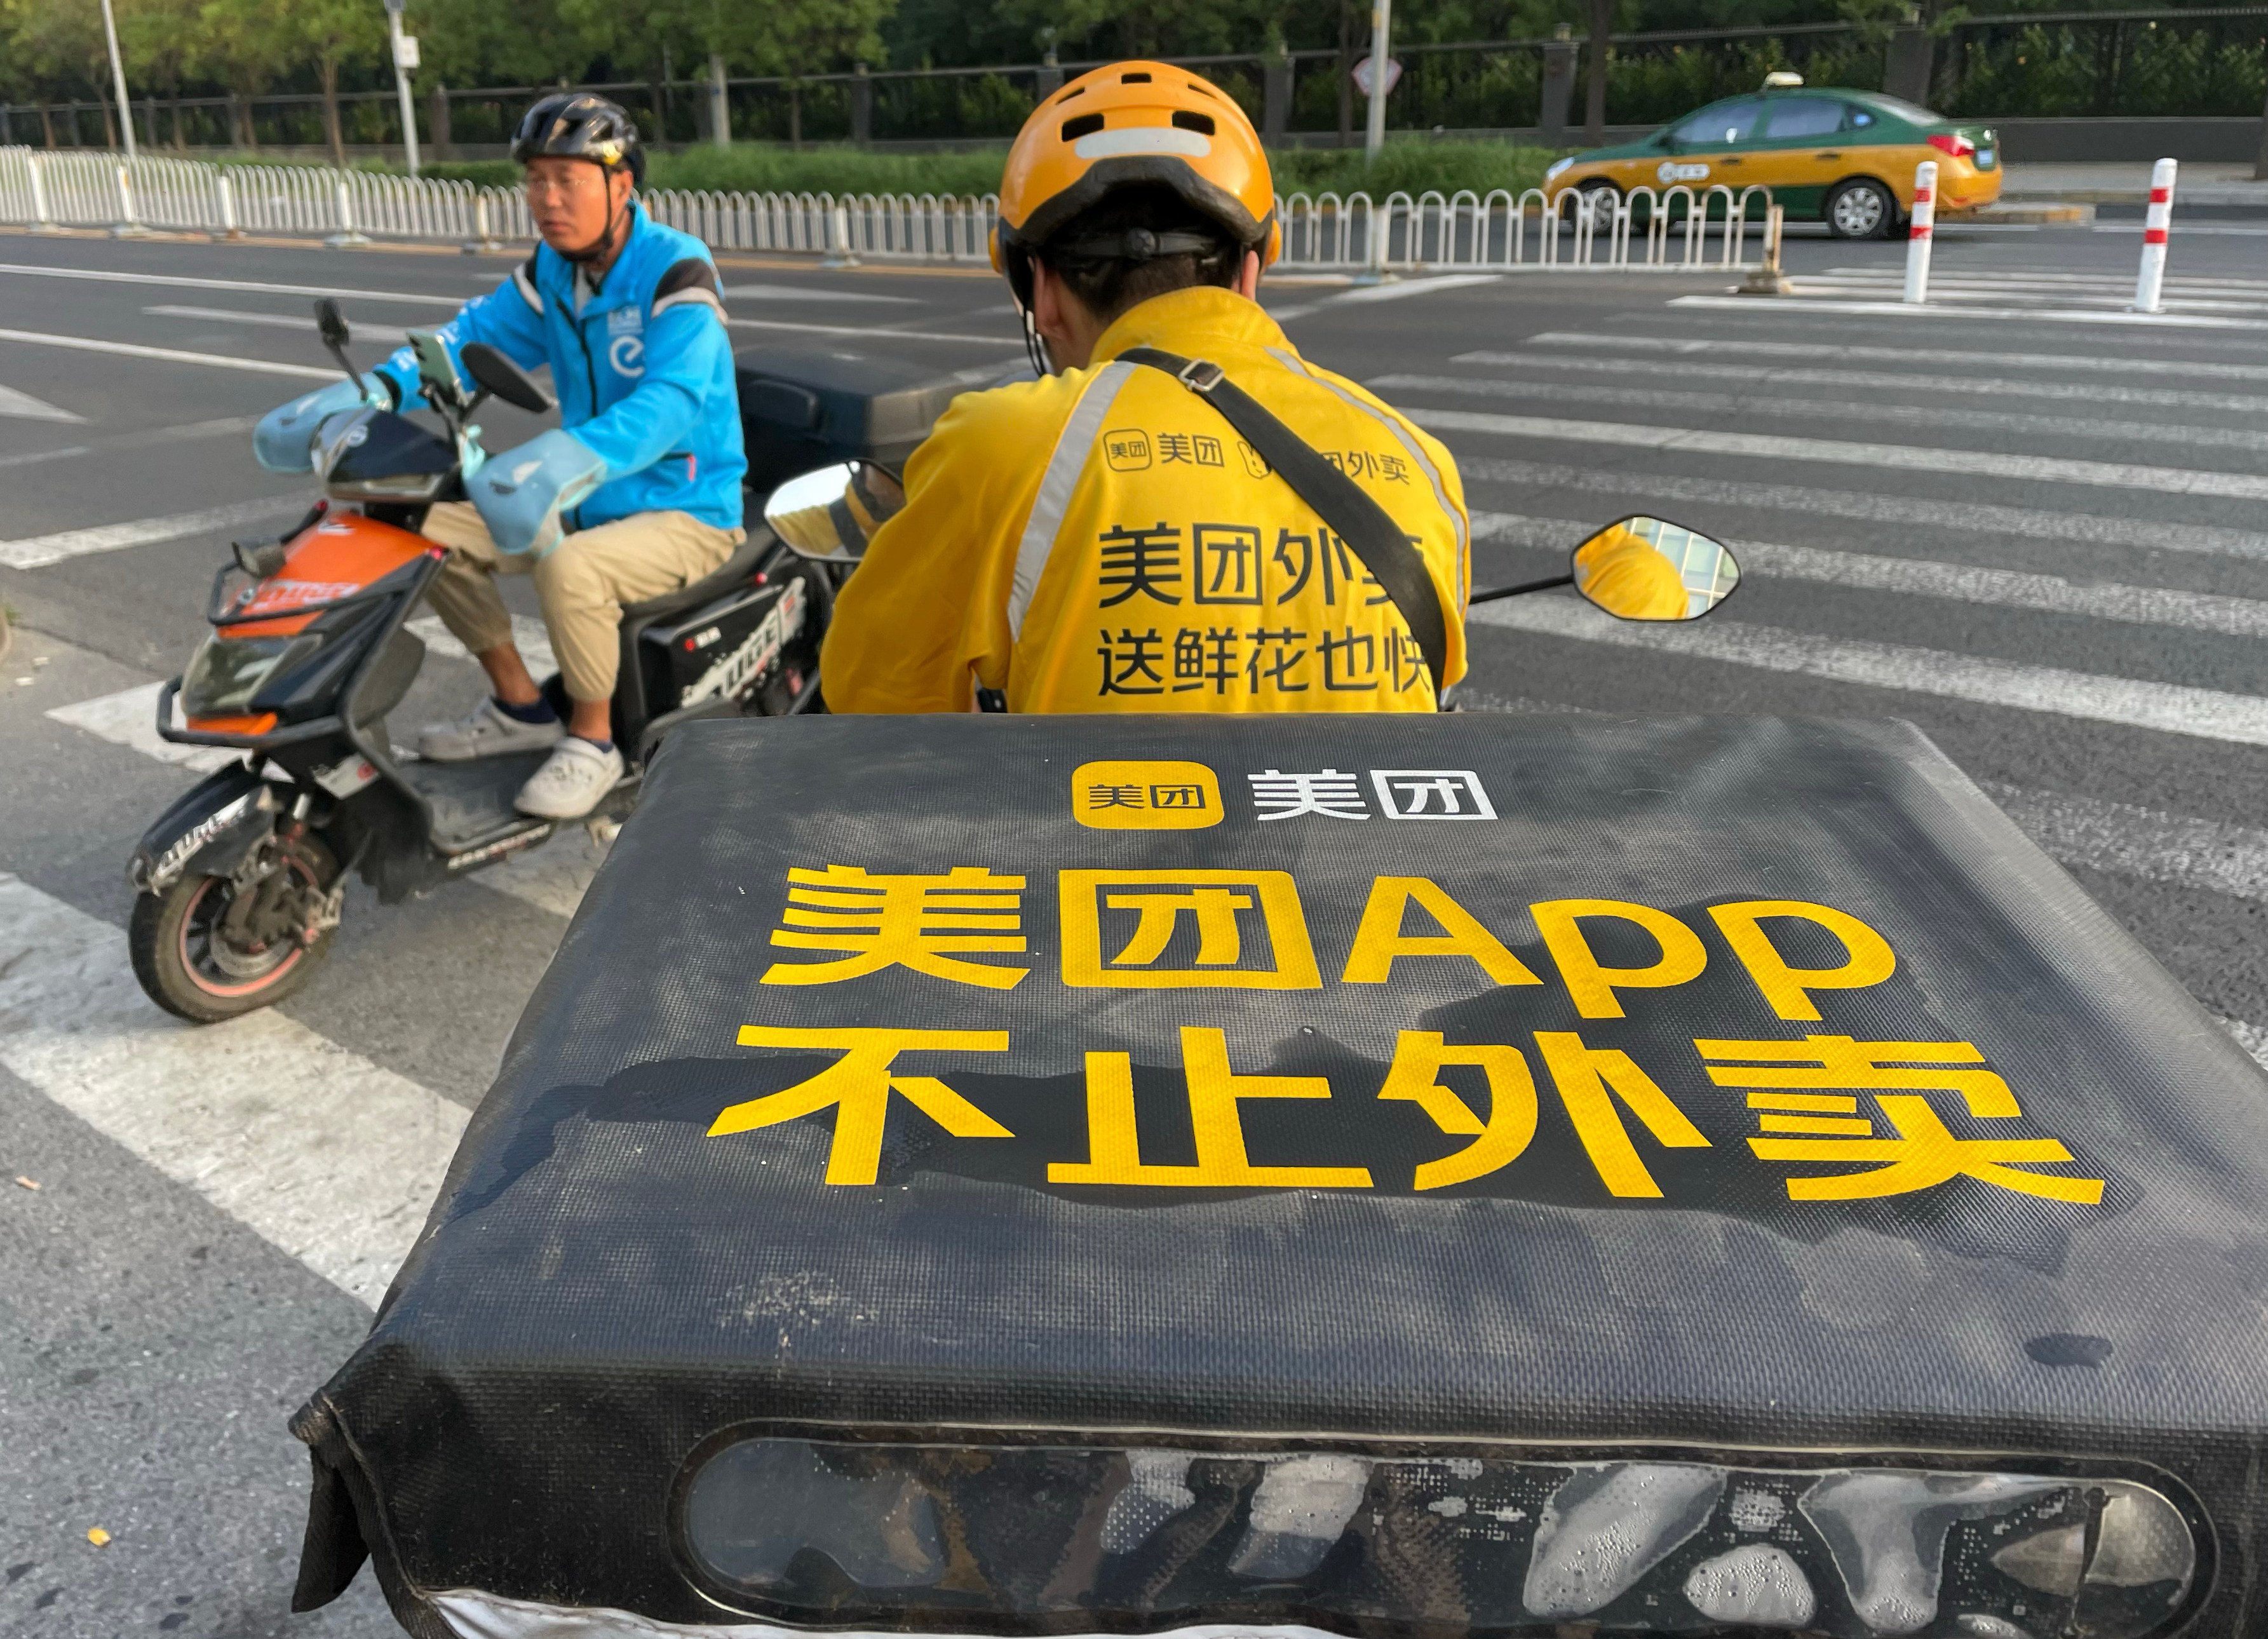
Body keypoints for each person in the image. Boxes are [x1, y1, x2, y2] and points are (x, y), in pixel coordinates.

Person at [820, 62, 1469, 715]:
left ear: (1041, 292)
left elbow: (869, 707)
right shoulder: (1420, 466)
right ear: (1250, 271)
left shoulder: (1000, 451)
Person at [252, 92, 746, 818]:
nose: (547, 199)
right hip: (587, 494)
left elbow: (672, 403)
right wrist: (377, 391)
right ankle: (520, 707)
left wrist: (566, 453)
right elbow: (467, 341)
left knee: (570, 567)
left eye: (567, 180)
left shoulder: (675, 270)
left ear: (622, 184)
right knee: (417, 525)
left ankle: (594, 741)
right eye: (536, 180)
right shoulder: (555, 269)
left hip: (686, 508)